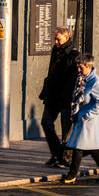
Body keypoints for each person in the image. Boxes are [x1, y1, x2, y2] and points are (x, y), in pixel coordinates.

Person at [62, 54, 99, 183]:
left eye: (81, 67)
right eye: (78, 66)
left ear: (89, 66)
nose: (78, 70)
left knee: (79, 146)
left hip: (88, 120)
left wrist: (87, 115)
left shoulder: (96, 82)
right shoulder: (82, 78)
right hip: (81, 117)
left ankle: (72, 174)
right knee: (91, 147)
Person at [39, 26, 80, 167]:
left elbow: (73, 80)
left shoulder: (74, 55)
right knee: (46, 122)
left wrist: (69, 99)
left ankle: (66, 159)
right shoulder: (55, 51)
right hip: (52, 96)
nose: (55, 42)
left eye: (58, 39)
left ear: (67, 38)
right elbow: (51, 72)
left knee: (66, 131)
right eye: (55, 39)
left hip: (66, 99)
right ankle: (57, 154)